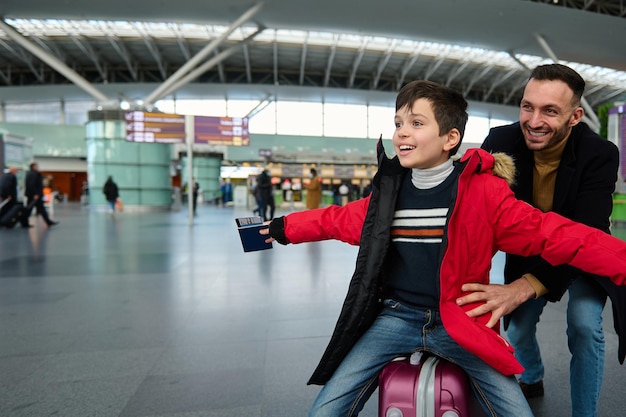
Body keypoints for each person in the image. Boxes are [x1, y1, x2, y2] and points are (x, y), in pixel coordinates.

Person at [257, 80, 626, 417]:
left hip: (461, 320)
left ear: (450, 139)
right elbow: (335, 220)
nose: (403, 131)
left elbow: (554, 234)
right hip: (395, 318)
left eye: (417, 123)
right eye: (399, 122)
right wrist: (281, 228)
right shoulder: (387, 195)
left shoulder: (484, 194)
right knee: (326, 409)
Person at [458, 63, 624, 417]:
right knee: (517, 329)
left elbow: (588, 234)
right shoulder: (500, 142)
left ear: (575, 116)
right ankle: (531, 377)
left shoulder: (600, 154)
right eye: (527, 106)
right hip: (530, 252)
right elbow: (480, 211)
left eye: (550, 111)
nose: (533, 121)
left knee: (583, 325)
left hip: (585, 257)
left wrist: (524, 287)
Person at [24, 162, 58, 227]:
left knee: (37, 209)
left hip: (32, 194)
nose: (38, 167)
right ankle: (24, 222)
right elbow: (33, 184)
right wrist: (35, 194)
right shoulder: (34, 174)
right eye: (37, 166)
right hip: (35, 195)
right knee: (31, 209)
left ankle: (48, 222)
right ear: (33, 167)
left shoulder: (29, 174)